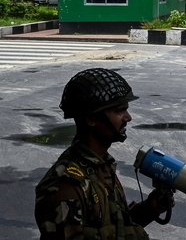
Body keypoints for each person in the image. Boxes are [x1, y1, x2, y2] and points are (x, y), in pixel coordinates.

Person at [35, 68, 174, 239]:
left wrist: (149, 209)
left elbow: (112, 226)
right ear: (91, 119)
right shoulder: (66, 185)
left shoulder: (102, 165)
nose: (128, 117)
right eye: (118, 111)